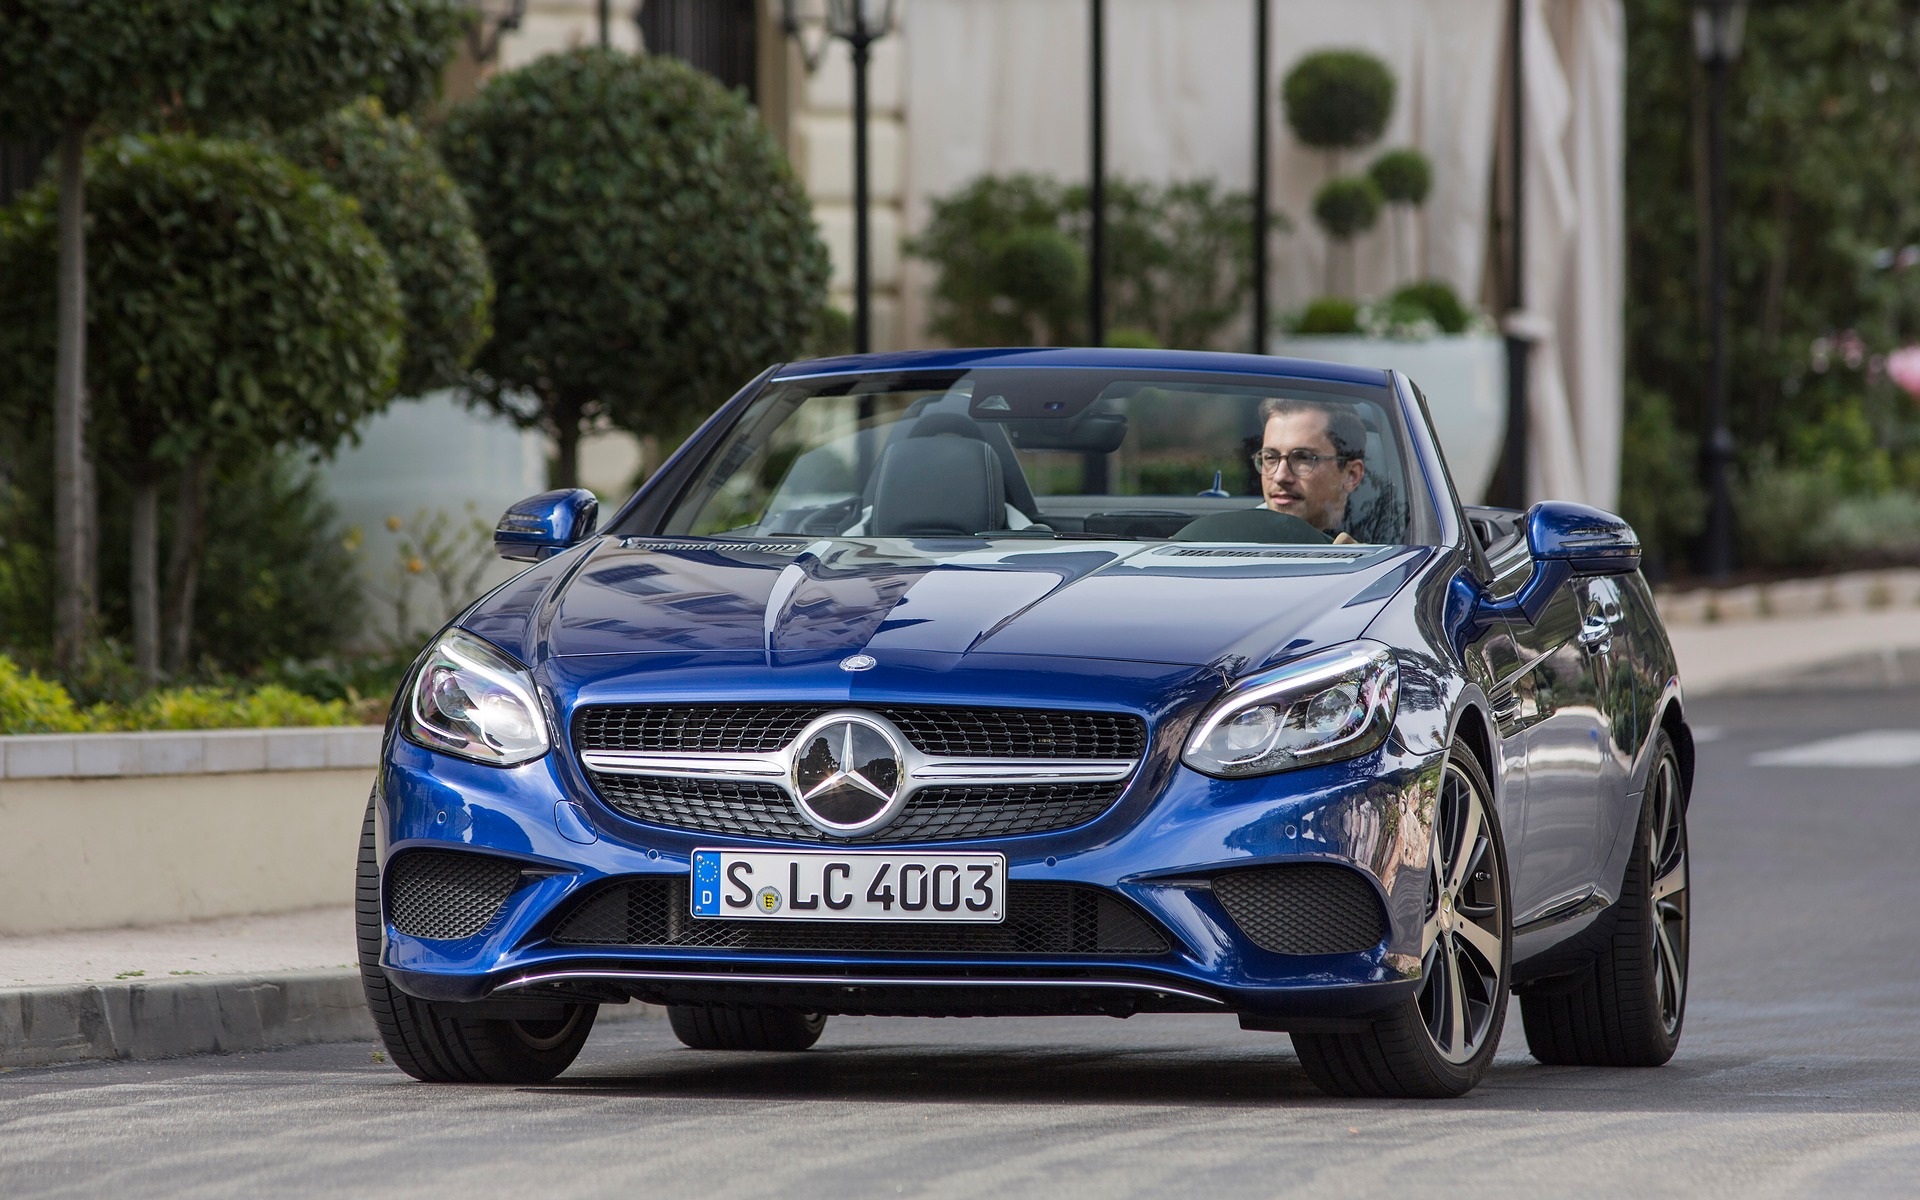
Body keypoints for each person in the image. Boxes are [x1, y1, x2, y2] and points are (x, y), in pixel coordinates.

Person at [1253, 397, 1367, 538]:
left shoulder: (1382, 550)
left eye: (1303, 458)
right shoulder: (1238, 540)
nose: (1280, 476)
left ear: (1351, 475)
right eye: (1270, 457)